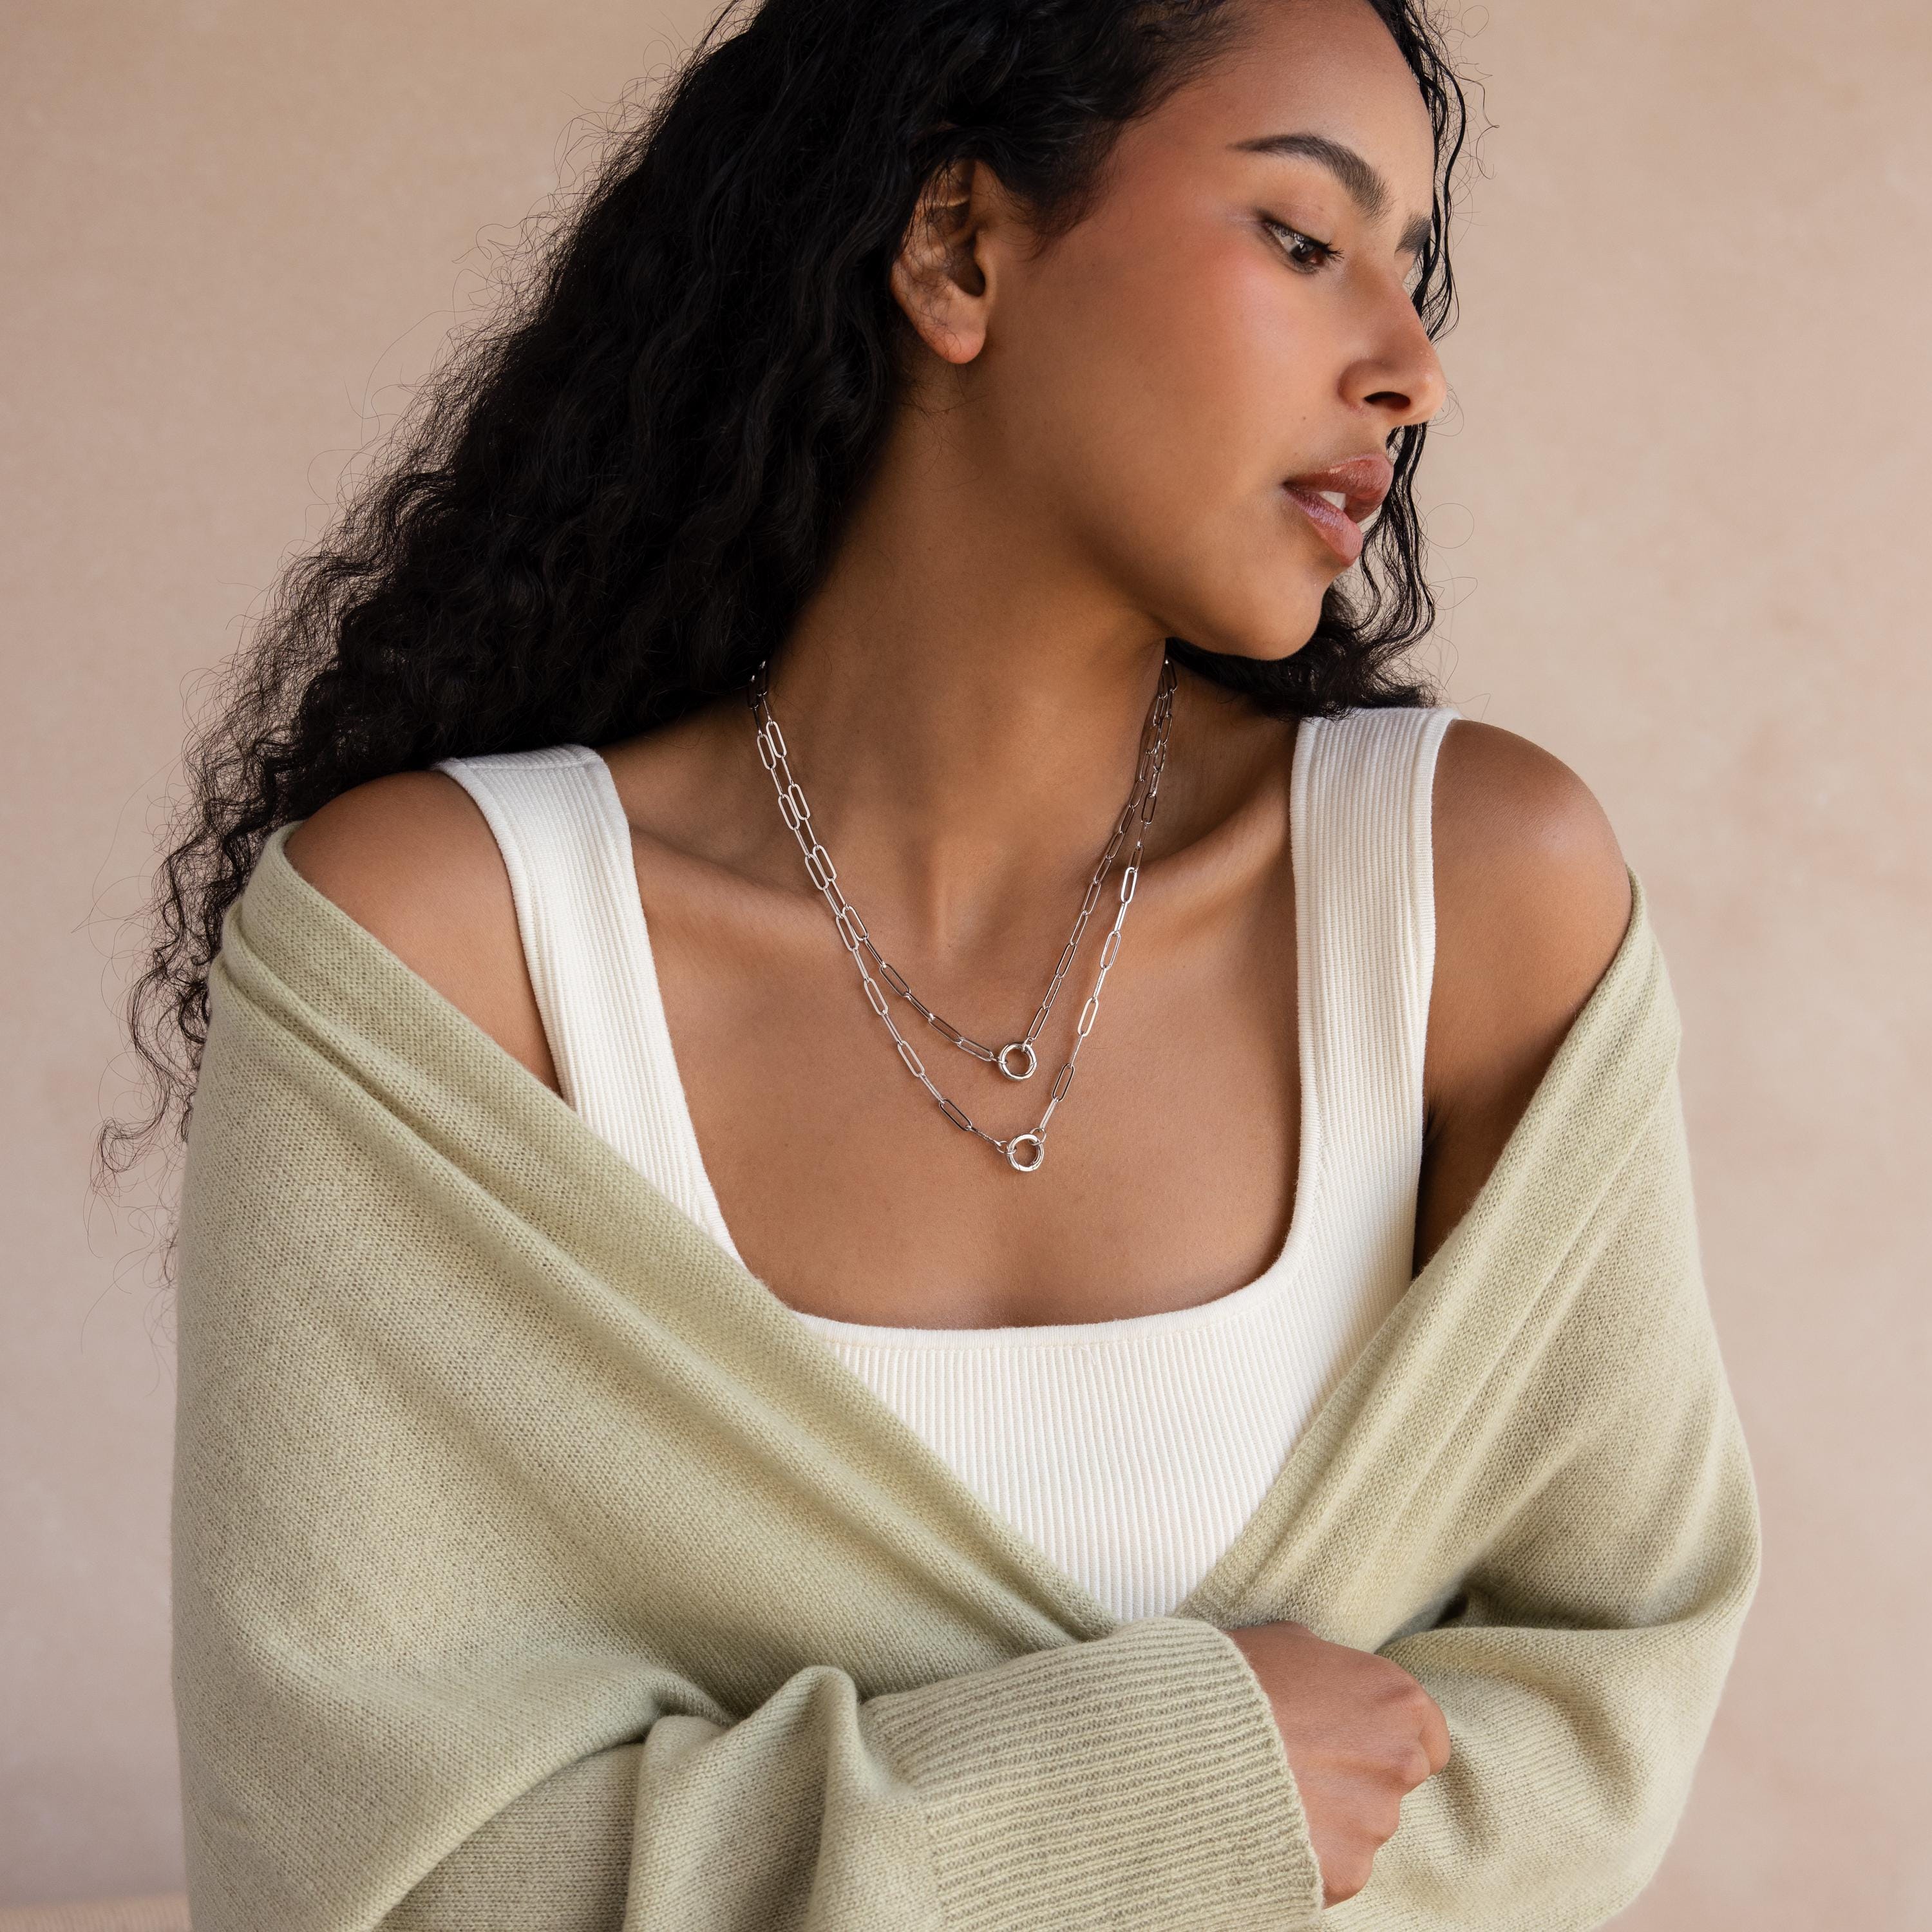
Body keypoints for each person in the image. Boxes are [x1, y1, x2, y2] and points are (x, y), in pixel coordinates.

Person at [119, 0, 1752, 1922]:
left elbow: (1607, 1697)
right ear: (961, 249)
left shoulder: (1474, 904)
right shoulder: (448, 955)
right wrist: (1166, 1797)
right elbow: (358, 1883)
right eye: (1305, 242)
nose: (1411, 371)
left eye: (1417, 274)